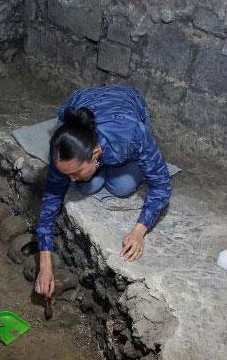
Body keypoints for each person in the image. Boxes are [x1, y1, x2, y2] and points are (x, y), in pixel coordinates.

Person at [35, 85, 172, 299]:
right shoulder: (63, 149)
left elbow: (161, 184)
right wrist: (45, 264)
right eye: (67, 173)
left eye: (75, 171)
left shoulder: (131, 134)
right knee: (88, 185)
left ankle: (108, 168)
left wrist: (138, 231)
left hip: (126, 103)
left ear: (95, 154)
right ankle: (95, 172)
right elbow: (51, 201)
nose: (68, 180)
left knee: (123, 186)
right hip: (85, 99)